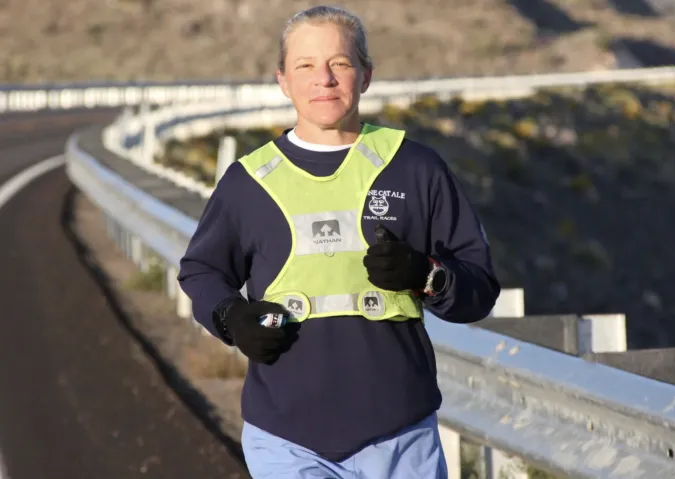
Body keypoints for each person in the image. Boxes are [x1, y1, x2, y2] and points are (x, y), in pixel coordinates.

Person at [177, 5, 500, 478]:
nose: (323, 79)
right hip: (285, 438)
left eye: (340, 64)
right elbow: (202, 271)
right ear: (282, 80)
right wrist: (232, 318)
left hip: (400, 434)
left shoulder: (416, 167)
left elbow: (480, 288)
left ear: (365, 75)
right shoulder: (248, 181)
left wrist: (424, 275)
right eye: (305, 66)